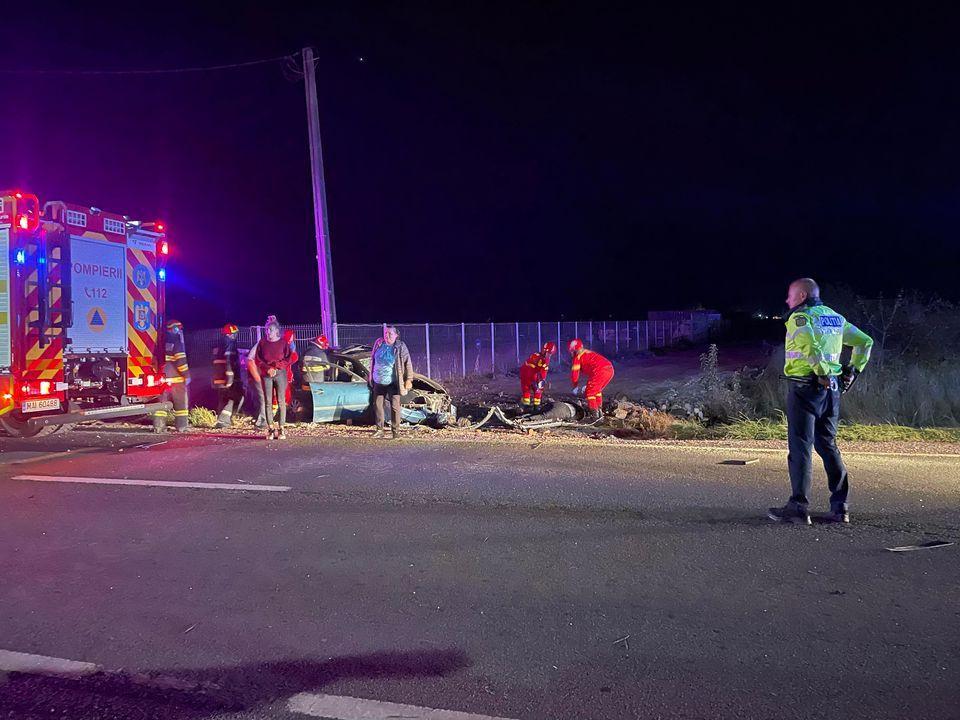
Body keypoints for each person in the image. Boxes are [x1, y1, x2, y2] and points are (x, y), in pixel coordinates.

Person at [768, 278, 874, 525]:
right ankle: (840, 508)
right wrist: (853, 371)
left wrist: (822, 372)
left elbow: (809, 345)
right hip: (832, 391)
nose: (787, 300)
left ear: (802, 296)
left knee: (800, 447)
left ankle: (798, 508)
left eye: (790, 295)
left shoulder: (799, 318)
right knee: (828, 445)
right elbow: (865, 342)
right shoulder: (835, 318)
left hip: (805, 388)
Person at [368, 325, 413, 439]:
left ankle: (395, 431)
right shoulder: (379, 343)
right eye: (385, 333)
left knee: (395, 407)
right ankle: (380, 430)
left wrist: (409, 379)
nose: (387, 336)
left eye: (390, 333)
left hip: (394, 381)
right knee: (378, 405)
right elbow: (372, 360)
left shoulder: (400, 346)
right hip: (378, 380)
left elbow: (408, 363)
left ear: (396, 335)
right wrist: (370, 376)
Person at [254, 316, 293, 440]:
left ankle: (281, 428)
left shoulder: (283, 343)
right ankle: (270, 429)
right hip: (267, 375)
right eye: (266, 330)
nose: (268, 332)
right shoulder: (262, 343)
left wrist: (276, 367)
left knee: (281, 401)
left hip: (280, 373)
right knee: (268, 402)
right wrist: (267, 369)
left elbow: (288, 358)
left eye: (270, 330)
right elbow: (258, 359)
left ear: (276, 331)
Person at [153, 319, 191, 433]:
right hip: (176, 379)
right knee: (181, 404)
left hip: (161, 379)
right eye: (179, 329)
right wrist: (186, 375)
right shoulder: (177, 341)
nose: (180, 331)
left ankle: (158, 427)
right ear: (175, 329)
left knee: (161, 404)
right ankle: (182, 427)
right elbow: (181, 360)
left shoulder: (159, 342)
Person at [568, 338, 614, 420]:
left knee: (590, 393)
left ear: (573, 350)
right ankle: (599, 412)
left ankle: (595, 416)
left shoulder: (577, 357)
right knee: (596, 391)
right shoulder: (587, 352)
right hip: (609, 369)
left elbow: (575, 374)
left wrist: (575, 386)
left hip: (600, 371)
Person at [212, 323, 244, 428]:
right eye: (233, 334)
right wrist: (230, 379)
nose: (235, 336)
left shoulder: (219, 344)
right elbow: (229, 362)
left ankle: (221, 421)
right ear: (229, 334)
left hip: (219, 378)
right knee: (236, 397)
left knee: (223, 399)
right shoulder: (229, 344)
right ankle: (225, 420)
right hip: (228, 378)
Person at [519, 341, 557, 412]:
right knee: (531, 390)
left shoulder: (539, 356)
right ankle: (530, 407)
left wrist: (542, 380)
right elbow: (537, 371)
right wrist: (537, 381)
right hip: (529, 376)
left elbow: (542, 371)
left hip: (530, 375)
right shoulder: (540, 358)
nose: (549, 355)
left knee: (533, 390)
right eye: (549, 354)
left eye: (550, 354)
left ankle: (532, 407)